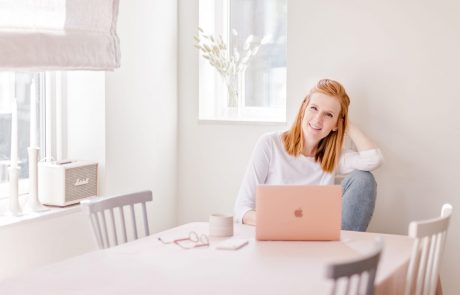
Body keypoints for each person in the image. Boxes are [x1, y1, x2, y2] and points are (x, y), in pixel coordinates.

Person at [234, 79, 383, 231]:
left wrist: (346, 124)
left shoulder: (334, 157)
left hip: (318, 239)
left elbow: (374, 159)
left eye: (329, 115)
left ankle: (340, 252)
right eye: (313, 108)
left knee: (364, 179)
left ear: (336, 125)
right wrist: (281, 221)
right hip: (278, 234)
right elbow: (241, 210)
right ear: (303, 109)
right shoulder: (270, 144)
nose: (318, 119)